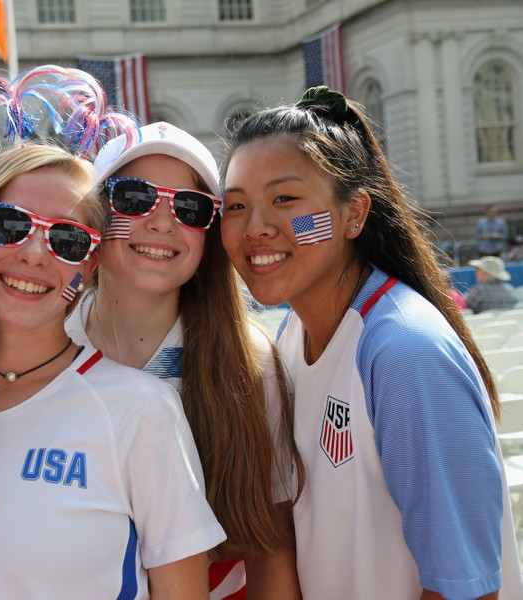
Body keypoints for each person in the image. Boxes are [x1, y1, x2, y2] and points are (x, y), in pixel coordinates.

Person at [218, 85, 523, 599]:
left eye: (284, 199)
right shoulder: (293, 336)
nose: (256, 227)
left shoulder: (403, 351)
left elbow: (465, 588)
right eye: (235, 206)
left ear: (354, 213)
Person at [0, 143, 224, 598]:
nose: (36, 254)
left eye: (68, 240)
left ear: (89, 264)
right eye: (10, 225)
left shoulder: (141, 412)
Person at [66, 121, 302, 598]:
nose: (161, 222)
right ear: (95, 212)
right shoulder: (43, 344)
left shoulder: (251, 362)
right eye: (134, 197)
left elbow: (271, 548)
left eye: (190, 208)